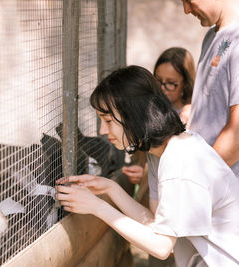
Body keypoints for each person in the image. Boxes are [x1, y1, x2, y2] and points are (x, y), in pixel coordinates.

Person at [56, 66, 239, 266]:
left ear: (135, 114)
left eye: (108, 120)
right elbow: (155, 226)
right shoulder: (161, 152)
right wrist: (111, 188)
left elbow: (162, 247)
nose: (102, 130)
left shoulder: (179, 161)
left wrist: (97, 206)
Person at [123, 47, 196, 186]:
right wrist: (140, 168)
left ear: (186, 84)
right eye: (158, 80)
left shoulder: (189, 113)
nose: (162, 88)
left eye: (170, 83)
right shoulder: (151, 109)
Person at [182, 0, 239, 177]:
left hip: (224, 186)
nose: (186, 10)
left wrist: (199, 177)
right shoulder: (211, 36)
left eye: (189, 0)